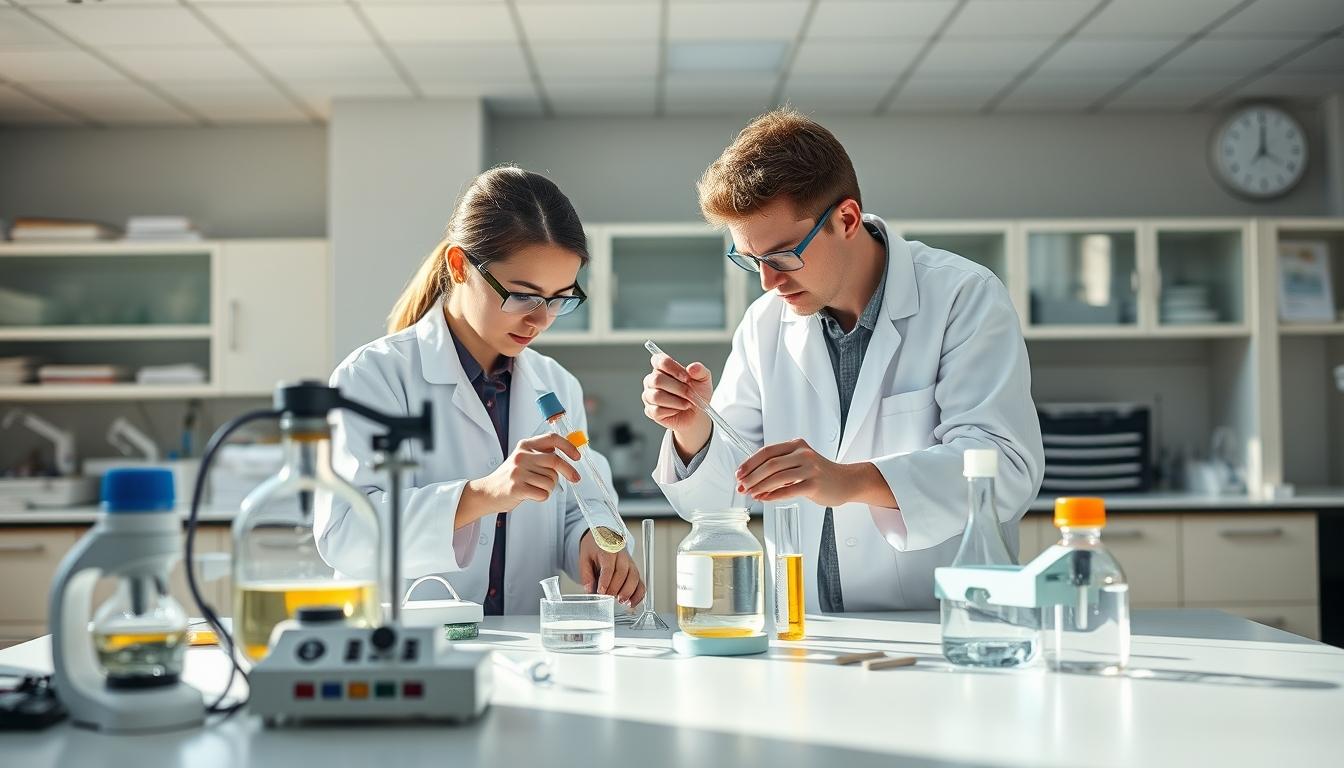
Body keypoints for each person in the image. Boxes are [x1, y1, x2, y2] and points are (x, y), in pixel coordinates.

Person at [642, 109, 1043, 611]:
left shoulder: (963, 296)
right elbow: (723, 504)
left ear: (846, 219)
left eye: (783, 255)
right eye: (751, 259)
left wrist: (849, 481)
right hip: (808, 628)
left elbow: (1003, 469)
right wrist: (691, 428)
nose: (767, 281)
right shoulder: (765, 323)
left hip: (943, 622)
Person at [318, 166, 645, 614]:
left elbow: (577, 503)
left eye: (558, 299)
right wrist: (482, 495)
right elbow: (345, 534)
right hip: (406, 645)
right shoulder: (373, 376)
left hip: (523, 644)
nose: (539, 320)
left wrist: (593, 539)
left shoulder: (556, 386)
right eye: (522, 295)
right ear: (459, 266)